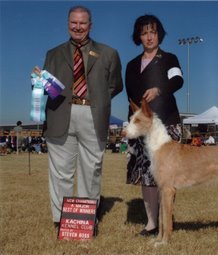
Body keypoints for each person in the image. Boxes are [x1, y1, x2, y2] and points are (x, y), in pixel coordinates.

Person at [32, 6, 123, 227]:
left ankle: (85, 218)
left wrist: (96, 100)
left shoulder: (109, 53)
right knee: (60, 172)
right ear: (68, 24)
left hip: (93, 115)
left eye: (82, 23)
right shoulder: (53, 54)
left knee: (91, 171)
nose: (78, 27)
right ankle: (59, 219)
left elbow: (115, 86)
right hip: (60, 114)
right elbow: (47, 87)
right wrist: (39, 80)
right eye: (74, 22)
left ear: (90, 25)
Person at [125, 14, 183, 236]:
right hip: (142, 125)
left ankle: (166, 220)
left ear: (159, 34)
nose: (149, 37)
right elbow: (130, 96)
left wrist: (159, 89)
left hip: (166, 123)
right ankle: (151, 222)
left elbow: (178, 80)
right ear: (138, 37)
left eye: (153, 32)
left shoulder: (169, 58)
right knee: (145, 174)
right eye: (144, 33)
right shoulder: (131, 65)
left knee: (166, 176)